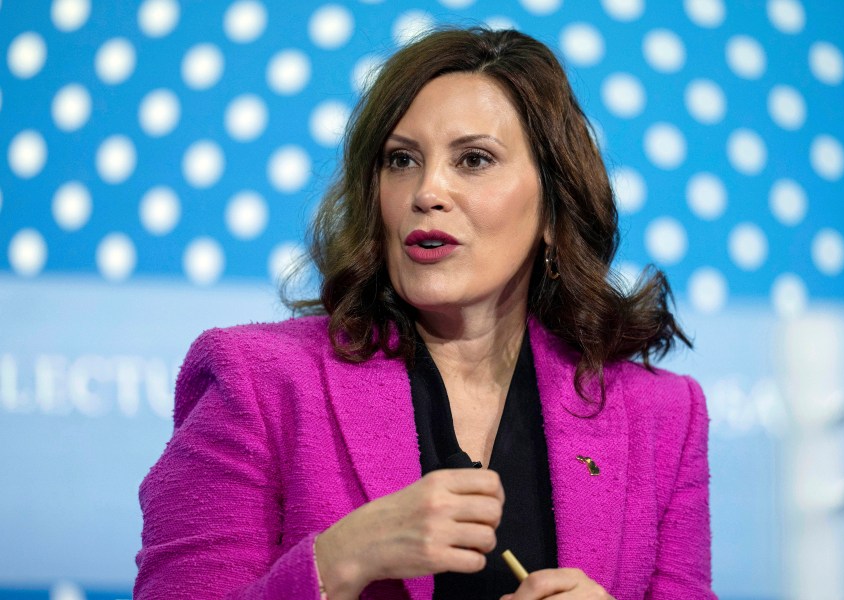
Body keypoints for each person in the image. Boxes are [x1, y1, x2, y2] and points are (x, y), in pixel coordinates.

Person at [135, 27, 715, 600]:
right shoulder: (257, 380)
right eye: (402, 159)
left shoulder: (662, 416)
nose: (427, 191)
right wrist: (339, 561)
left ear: (553, 211)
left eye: (474, 160)